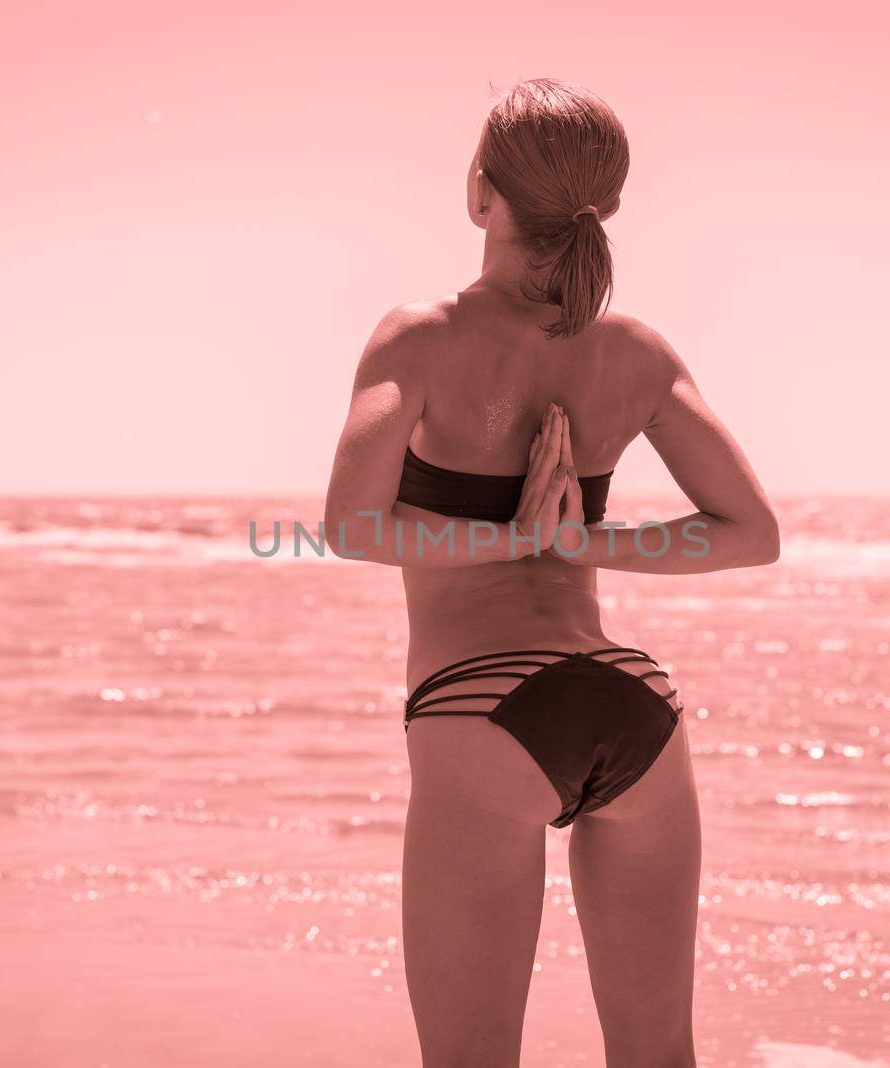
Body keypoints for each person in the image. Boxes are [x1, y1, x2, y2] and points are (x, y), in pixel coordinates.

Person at [324, 77, 779, 1068]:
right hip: (633, 703)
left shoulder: (421, 336)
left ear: (480, 190)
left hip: (481, 707)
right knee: (659, 1056)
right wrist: (585, 544)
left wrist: (515, 536)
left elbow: (352, 527)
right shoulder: (632, 351)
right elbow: (749, 533)